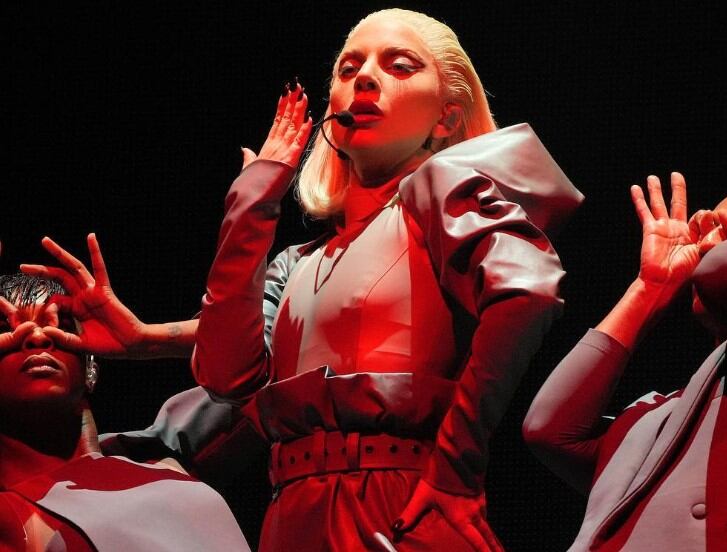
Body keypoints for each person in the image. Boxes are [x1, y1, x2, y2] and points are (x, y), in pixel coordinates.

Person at [192, 8, 582, 551]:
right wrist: (253, 200)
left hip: (397, 507)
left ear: (446, 118)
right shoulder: (297, 263)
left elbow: (528, 291)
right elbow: (225, 376)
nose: (365, 79)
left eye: (399, 66)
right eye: (348, 69)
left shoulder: (439, 194)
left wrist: (457, 465)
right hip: (289, 515)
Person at [522, 145, 727, 551]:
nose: (709, 239)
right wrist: (651, 288)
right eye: (712, 228)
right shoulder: (661, 414)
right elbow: (551, 432)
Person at [0, 271, 251, 551]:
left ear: (91, 366)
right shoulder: (12, 517)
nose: (37, 337)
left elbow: (279, 359)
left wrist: (148, 338)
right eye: (5, 330)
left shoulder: (165, 456)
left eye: (62, 326)